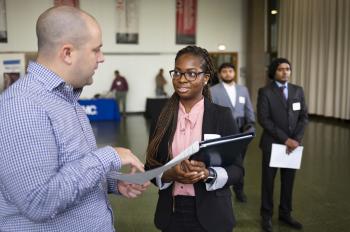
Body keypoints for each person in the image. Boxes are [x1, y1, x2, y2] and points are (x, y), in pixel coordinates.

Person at [0, 6, 148, 231]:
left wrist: (113, 182)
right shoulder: (23, 105)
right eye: (96, 50)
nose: (102, 58)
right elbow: (39, 201)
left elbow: (69, 169)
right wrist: (109, 156)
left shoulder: (67, 101)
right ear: (67, 53)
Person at [145, 45, 243, 232]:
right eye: (177, 73)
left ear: (205, 78)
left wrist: (209, 174)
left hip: (213, 214)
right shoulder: (162, 117)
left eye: (191, 74)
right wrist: (169, 174)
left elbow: (237, 169)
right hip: (172, 213)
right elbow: (150, 167)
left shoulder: (221, 116)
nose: (182, 79)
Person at [257, 58, 308, 232]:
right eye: (280, 69)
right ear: (274, 72)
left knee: (288, 182)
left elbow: (303, 117)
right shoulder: (265, 92)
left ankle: (286, 214)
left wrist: (297, 139)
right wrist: (286, 139)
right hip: (273, 145)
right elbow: (264, 119)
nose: (285, 72)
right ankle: (266, 216)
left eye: (287, 69)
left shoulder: (297, 90)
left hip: (294, 146)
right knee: (268, 182)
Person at [210, 63, 255, 203]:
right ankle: (222, 189)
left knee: (239, 162)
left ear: (234, 73)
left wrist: (251, 126)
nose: (228, 73)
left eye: (230, 71)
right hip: (223, 132)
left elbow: (249, 109)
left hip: (242, 131)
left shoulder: (243, 89)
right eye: (224, 71)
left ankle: (239, 190)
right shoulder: (213, 91)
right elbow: (211, 112)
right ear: (219, 74)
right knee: (222, 162)